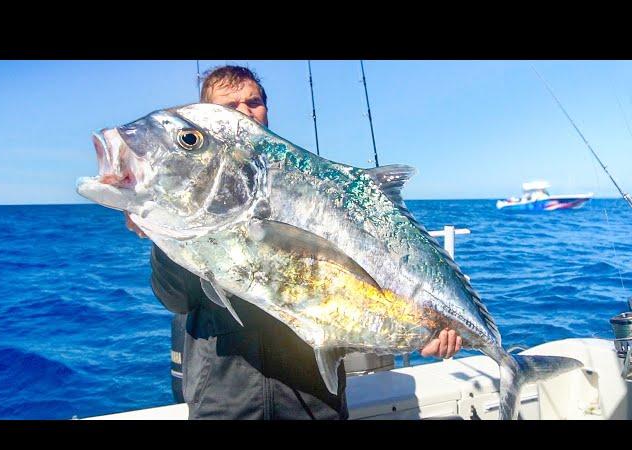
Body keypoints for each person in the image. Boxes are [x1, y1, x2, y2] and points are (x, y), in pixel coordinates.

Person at [126, 65, 462, 420]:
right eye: (229, 104)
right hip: (225, 403)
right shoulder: (188, 203)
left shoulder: (316, 191)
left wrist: (419, 328)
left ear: (266, 110)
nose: (244, 110)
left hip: (315, 402)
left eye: (253, 102)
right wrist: (161, 234)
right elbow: (176, 298)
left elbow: (353, 287)